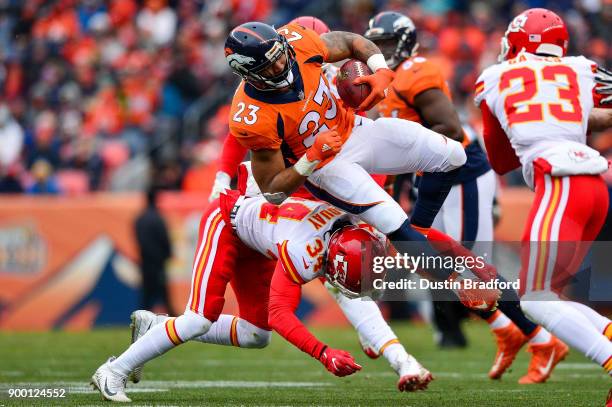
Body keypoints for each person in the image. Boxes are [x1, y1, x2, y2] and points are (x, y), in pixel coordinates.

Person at [91, 163, 434, 402]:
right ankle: (113, 371)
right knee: (199, 318)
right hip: (227, 221)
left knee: (256, 335)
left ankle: (158, 326)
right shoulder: (304, 251)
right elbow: (281, 313)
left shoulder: (353, 227)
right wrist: (324, 353)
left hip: (259, 238)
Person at [364, 10, 566, 383]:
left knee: (469, 266)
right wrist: (390, 191)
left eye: (388, 43)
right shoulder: (386, 81)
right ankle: (506, 329)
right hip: (432, 177)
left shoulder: (415, 71)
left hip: (461, 174)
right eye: (377, 44)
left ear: (406, 42)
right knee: (433, 262)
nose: (382, 51)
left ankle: (540, 339)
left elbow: (450, 131)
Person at [225, 20, 467, 266]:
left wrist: (381, 71)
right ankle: (456, 284)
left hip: (356, 131)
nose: (281, 65)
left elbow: (352, 42)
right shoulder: (252, 115)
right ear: (249, 74)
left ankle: (419, 232)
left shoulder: (299, 42)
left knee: (454, 155)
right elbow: (273, 192)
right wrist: (312, 158)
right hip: (326, 167)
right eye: (269, 66)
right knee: (391, 218)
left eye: (279, 55)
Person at [474, 8, 612, 400]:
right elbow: (588, 113)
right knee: (548, 295)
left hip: (560, 184)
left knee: (534, 299)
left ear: (516, 43)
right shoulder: (582, 69)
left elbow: (501, 160)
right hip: (595, 188)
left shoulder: (495, 78)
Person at [134, 187, 175, 316]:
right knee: (164, 295)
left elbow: (139, 241)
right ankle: (175, 321)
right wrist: (167, 254)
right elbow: (165, 239)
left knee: (146, 296)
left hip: (145, 263)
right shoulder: (158, 218)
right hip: (158, 263)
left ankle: (141, 319)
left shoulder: (139, 219)